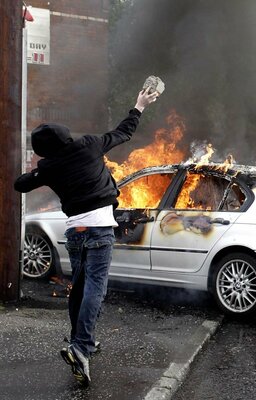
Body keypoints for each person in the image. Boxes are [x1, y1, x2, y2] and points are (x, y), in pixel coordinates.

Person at [14, 88, 159, 386]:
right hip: (100, 230)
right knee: (95, 289)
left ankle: (82, 341)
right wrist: (138, 106)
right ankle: (81, 348)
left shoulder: (48, 166)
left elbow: (21, 184)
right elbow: (123, 132)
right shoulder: (90, 145)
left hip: (75, 234)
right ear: (66, 135)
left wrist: (38, 172)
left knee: (78, 289)